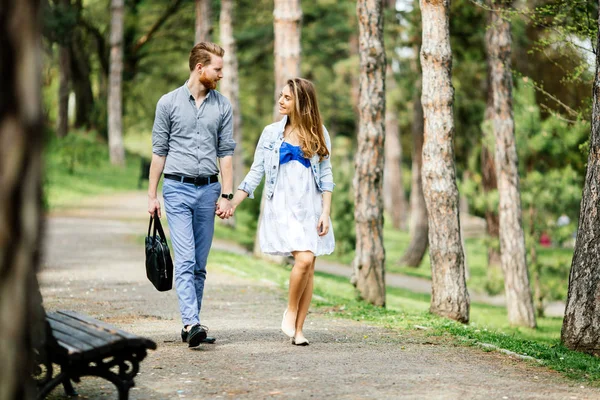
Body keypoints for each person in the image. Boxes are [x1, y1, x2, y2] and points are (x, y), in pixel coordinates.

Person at [225, 78, 335, 346]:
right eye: (280, 96)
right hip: (283, 206)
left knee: (309, 266)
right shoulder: (271, 133)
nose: (281, 101)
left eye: (287, 97)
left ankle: (298, 330)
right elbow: (256, 172)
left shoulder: (319, 132)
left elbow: (326, 173)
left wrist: (325, 212)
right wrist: (232, 202)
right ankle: (291, 309)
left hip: (310, 206)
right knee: (305, 259)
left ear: (302, 102)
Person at [147, 42, 236, 348]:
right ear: (200, 68)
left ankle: (191, 325)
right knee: (184, 260)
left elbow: (226, 154)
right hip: (176, 189)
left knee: (199, 263)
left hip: (209, 190)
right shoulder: (168, 103)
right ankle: (191, 321)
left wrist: (226, 194)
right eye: (218, 69)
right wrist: (151, 195)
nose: (221, 74)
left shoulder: (223, 106)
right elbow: (159, 152)